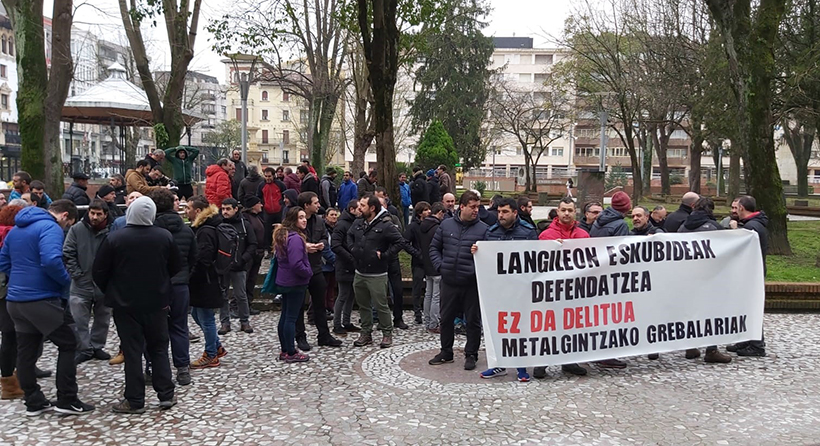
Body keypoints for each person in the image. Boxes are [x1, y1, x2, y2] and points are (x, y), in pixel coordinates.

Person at [0, 200, 95, 415]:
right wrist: (65, 281)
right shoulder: (50, 228)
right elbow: (51, 260)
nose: (66, 227)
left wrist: (20, 278)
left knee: (26, 350)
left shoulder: (16, 230)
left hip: (15, 300)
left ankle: (33, 400)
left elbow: (3, 261)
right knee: (69, 343)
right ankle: (67, 399)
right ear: (65, 216)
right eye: (68, 223)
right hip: (41, 299)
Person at [92, 196, 180, 414]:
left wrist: (112, 290)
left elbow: (99, 270)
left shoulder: (115, 238)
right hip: (157, 302)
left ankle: (134, 399)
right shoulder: (164, 237)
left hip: (125, 304)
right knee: (159, 348)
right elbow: (176, 266)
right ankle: (166, 394)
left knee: (132, 351)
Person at [475, 197, 540, 382]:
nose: (500, 215)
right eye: (499, 212)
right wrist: (478, 252)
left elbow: (536, 257)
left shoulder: (527, 232)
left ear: (515, 213)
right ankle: (498, 364)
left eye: (505, 212)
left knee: (520, 328)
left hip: (520, 289)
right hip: (498, 289)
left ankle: (521, 366)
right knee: (498, 327)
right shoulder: (491, 232)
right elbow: (487, 258)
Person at [428, 191, 488, 371]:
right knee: (446, 319)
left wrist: (480, 255)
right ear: (462, 207)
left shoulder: (484, 229)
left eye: (478, 207)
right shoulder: (446, 225)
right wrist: (441, 266)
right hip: (449, 281)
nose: (476, 210)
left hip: (471, 283)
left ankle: (471, 354)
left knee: (473, 321)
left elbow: (489, 257)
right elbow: (434, 248)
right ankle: (446, 351)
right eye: (472, 207)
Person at [532, 197, 592, 377]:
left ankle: (569, 361)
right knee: (548, 326)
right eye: (563, 210)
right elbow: (536, 263)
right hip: (552, 289)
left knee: (572, 326)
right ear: (557, 212)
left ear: (575, 212)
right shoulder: (546, 236)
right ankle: (542, 362)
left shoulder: (584, 235)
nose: (566, 213)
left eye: (570, 210)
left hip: (575, 290)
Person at [675, 197, 734, 363]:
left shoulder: (683, 227)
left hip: (687, 277)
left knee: (690, 311)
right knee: (712, 313)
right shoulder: (714, 227)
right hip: (709, 277)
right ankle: (711, 350)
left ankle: (690, 346)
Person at [150, 189, 197, 386]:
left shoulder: (150, 230)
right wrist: (185, 275)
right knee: (179, 327)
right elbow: (193, 258)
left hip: (155, 285)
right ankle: (183, 368)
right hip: (180, 284)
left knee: (153, 329)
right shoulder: (186, 230)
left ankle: (153, 367)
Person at [347, 194, 405, 349]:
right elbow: (350, 235)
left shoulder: (386, 225)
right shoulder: (358, 222)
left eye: (363, 205)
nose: (359, 208)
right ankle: (366, 332)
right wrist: (353, 249)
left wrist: (385, 255)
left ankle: (387, 333)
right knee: (363, 305)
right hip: (360, 272)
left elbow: (400, 242)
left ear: (372, 208)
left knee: (381, 305)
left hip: (377, 274)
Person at [63, 199, 111, 364]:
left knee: (103, 317)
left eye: (98, 214)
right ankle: (84, 348)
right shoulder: (77, 229)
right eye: (92, 213)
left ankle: (97, 346)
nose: (94, 217)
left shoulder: (111, 230)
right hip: (81, 283)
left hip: (103, 284)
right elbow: (68, 252)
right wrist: (77, 274)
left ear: (105, 215)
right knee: (79, 319)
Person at [588, 192, 630, 369]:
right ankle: (607, 354)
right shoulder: (620, 225)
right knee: (612, 316)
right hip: (611, 275)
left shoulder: (598, 222)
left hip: (596, 272)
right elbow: (621, 252)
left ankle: (596, 352)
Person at [294, 192, 342, 349]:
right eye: (315, 203)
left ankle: (324, 335)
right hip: (299, 269)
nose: (318, 205)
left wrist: (320, 244)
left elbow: (324, 237)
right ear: (306, 205)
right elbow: (287, 239)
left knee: (320, 304)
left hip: (316, 267)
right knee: (298, 305)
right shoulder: (293, 220)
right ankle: (300, 336)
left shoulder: (319, 220)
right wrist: (304, 246)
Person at [186, 196, 228, 368]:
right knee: (197, 314)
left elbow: (204, 258)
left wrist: (190, 275)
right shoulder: (206, 227)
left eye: (188, 208)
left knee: (206, 317)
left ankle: (211, 354)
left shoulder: (205, 231)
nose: (186, 211)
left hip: (205, 280)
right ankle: (217, 346)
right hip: (205, 279)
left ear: (197, 211)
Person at [270, 207, 313, 363]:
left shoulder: (283, 235)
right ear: (293, 220)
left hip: (284, 280)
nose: (304, 220)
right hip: (294, 282)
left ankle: (285, 350)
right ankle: (290, 351)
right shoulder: (295, 238)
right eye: (300, 217)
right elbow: (296, 264)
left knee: (285, 316)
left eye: (304, 217)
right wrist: (308, 272)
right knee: (290, 318)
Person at [730, 195, 768, 357]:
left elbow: (744, 247)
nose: (734, 210)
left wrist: (735, 231)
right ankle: (746, 340)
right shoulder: (755, 223)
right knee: (746, 307)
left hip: (752, 272)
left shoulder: (752, 226)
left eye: (736, 207)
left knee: (751, 307)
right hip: (752, 270)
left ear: (742, 208)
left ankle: (757, 345)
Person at [218, 198, 257, 335]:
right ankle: (225, 322)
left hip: (239, 265)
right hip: (222, 266)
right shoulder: (219, 224)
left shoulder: (244, 224)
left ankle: (244, 321)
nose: (225, 212)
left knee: (241, 295)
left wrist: (243, 259)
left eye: (228, 209)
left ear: (235, 209)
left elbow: (252, 244)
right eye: (223, 209)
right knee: (222, 295)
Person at [0, 204, 25, 400]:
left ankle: (12, 379)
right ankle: (9, 384)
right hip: (7, 290)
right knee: (10, 336)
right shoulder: (11, 235)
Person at [330, 199, 362, 335]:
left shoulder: (356, 223)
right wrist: (350, 257)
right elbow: (335, 245)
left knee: (351, 295)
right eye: (359, 208)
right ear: (352, 209)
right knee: (343, 295)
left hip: (354, 264)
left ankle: (346, 321)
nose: (361, 211)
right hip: (344, 265)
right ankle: (337, 324)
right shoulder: (342, 224)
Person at [419, 203, 445, 333]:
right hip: (436, 265)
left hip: (426, 264)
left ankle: (428, 321)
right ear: (439, 212)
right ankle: (433, 324)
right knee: (436, 296)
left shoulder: (422, 226)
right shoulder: (437, 228)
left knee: (428, 295)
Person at [404, 202, 430, 325]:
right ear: (420, 213)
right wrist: (417, 253)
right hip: (418, 262)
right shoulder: (413, 227)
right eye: (426, 210)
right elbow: (405, 243)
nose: (428, 212)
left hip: (430, 261)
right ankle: (417, 313)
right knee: (417, 288)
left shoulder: (431, 225)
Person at [241, 196, 265, 315]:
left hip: (258, 253)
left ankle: (248, 304)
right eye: (259, 203)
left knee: (252, 280)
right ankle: (238, 306)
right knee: (244, 280)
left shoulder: (257, 217)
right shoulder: (245, 218)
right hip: (250, 253)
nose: (261, 205)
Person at [258, 167, 286, 257]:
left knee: (279, 231)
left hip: (279, 211)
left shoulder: (280, 184)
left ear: (273, 176)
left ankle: (281, 249)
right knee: (268, 232)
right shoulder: (261, 185)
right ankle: (270, 251)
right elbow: (259, 196)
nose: (267, 178)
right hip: (267, 211)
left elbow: (285, 194)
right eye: (266, 176)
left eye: (269, 176)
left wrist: (281, 205)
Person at [322, 208, 339, 319]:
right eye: (331, 215)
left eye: (335, 215)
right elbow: (325, 248)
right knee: (324, 288)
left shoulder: (336, 229)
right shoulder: (324, 229)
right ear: (326, 216)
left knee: (331, 287)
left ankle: (330, 307)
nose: (334, 217)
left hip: (334, 263)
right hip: (325, 263)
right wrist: (334, 259)